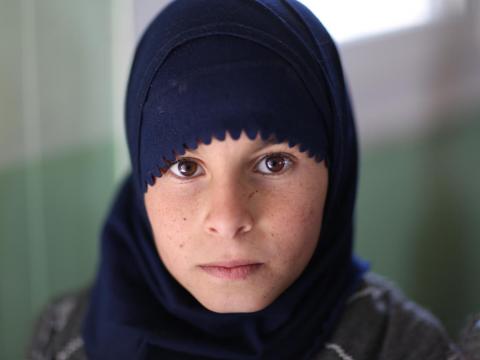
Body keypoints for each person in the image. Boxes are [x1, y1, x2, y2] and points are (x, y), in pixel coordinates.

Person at [28, 0, 464, 359]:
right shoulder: (61, 337)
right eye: (186, 167)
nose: (228, 218)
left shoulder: (400, 346)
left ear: (336, 168)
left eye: (273, 163)